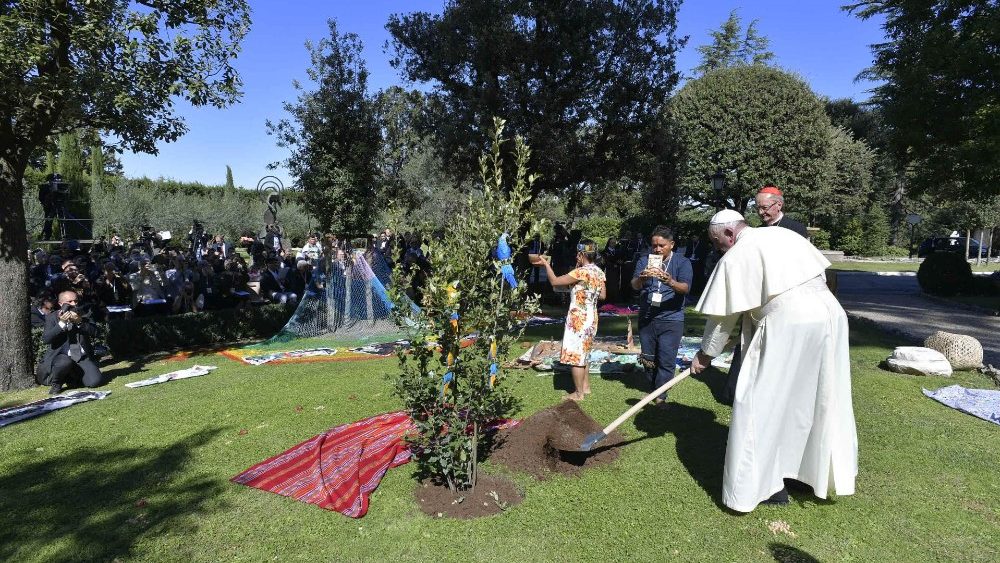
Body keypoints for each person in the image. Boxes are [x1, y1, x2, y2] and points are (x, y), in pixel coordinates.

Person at [690, 209, 857, 512]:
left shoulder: (739, 252)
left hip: (789, 324)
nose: (718, 249)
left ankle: (765, 486)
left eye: (717, 243)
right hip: (830, 316)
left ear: (729, 234)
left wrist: (705, 355)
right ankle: (803, 475)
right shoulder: (784, 235)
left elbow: (721, 319)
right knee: (810, 398)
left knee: (759, 400)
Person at [536, 240, 606, 401]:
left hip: (578, 318)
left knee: (576, 355)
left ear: (582, 255)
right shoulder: (599, 272)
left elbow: (554, 282)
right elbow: (602, 295)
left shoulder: (580, 272)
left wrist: (546, 265)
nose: (576, 256)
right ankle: (586, 387)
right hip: (591, 317)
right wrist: (580, 289)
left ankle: (578, 393)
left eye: (578, 254)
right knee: (585, 353)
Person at [631, 226, 693, 407]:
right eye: (654, 246)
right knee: (648, 358)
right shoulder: (645, 261)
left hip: (672, 318)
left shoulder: (682, 262)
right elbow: (634, 285)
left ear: (671, 244)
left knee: (666, 358)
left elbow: (685, 288)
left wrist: (670, 281)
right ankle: (653, 390)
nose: (657, 249)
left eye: (661, 245)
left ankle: (661, 396)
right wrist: (642, 278)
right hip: (648, 316)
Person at [36, 290, 110, 395]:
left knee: (95, 381)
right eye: (69, 301)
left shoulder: (85, 314)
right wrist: (61, 324)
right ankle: (57, 383)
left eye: (75, 301)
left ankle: (73, 379)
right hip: (61, 357)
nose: (74, 304)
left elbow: (97, 332)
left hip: (81, 357)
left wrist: (80, 322)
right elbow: (46, 339)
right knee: (64, 362)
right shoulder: (52, 317)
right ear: (61, 304)